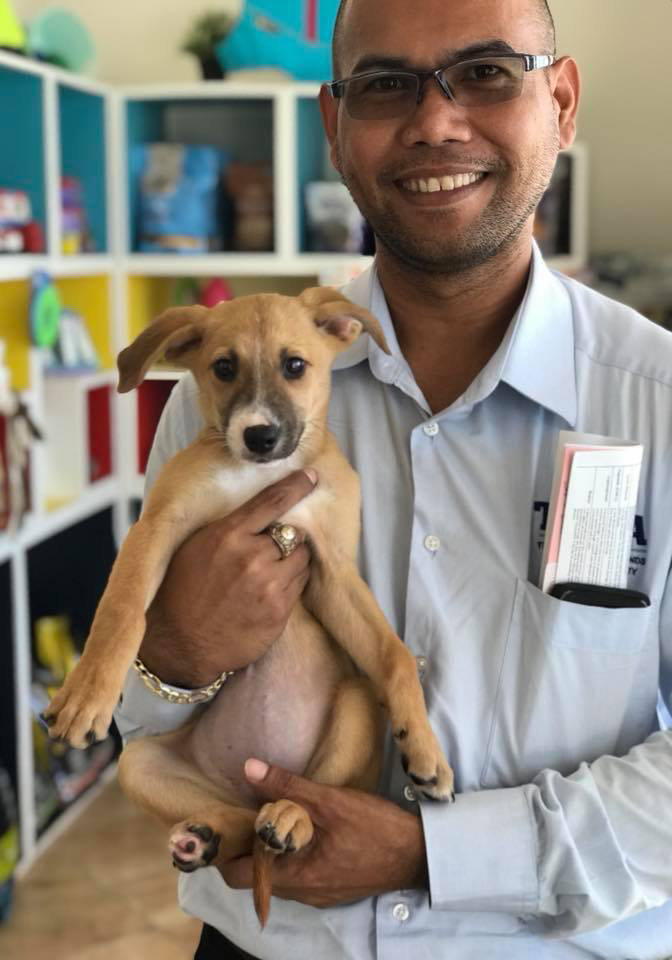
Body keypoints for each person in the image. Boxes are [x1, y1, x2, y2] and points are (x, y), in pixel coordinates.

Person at [115, 0, 672, 957]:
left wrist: (434, 852)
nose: (435, 122)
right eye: (385, 85)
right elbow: (131, 708)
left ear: (563, 100)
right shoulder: (226, 393)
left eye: (488, 73)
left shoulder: (655, 404)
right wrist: (174, 649)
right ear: (335, 126)